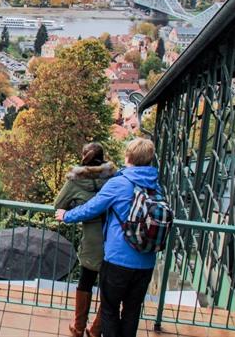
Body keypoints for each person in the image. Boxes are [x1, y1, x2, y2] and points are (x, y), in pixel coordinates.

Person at [57, 138, 161, 337]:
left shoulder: (119, 183)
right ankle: (94, 330)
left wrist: (67, 215)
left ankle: (84, 328)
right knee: (131, 312)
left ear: (128, 157)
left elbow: (91, 208)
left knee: (110, 310)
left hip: (119, 258)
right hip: (146, 260)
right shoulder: (156, 186)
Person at [54, 143, 117, 337]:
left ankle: (79, 327)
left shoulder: (75, 180)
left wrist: (76, 207)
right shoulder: (114, 177)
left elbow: (58, 204)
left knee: (85, 281)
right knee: (109, 287)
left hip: (91, 238)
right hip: (115, 238)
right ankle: (96, 329)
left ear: (83, 156)